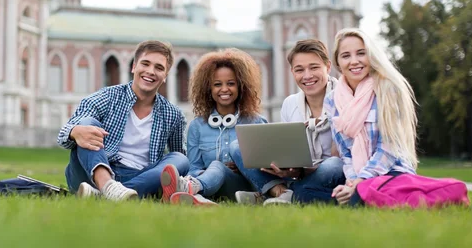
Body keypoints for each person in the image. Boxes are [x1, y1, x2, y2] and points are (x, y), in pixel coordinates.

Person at [56, 40, 189, 201]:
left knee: (180, 160)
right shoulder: (106, 97)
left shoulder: (172, 114)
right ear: (134, 67)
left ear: (165, 76)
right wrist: (74, 132)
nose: (151, 71)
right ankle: (107, 186)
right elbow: (63, 136)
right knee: (86, 123)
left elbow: (178, 162)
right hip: (92, 173)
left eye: (159, 68)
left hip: (141, 176)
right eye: (145, 64)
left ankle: (108, 195)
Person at [231, 39, 346, 205]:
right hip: (296, 175)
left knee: (333, 165)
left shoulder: (343, 98)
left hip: (329, 174)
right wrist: (285, 167)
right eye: (299, 70)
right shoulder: (290, 104)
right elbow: (288, 151)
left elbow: (345, 156)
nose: (307, 76)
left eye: (314, 67)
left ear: (328, 67)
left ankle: (277, 196)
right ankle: (281, 192)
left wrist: (301, 171)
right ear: (292, 72)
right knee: (237, 146)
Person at [161, 48, 266, 206]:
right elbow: (194, 167)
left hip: (244, 189)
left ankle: (187, 189)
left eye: (231, 83)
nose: (224, 89)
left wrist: (243, 166)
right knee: (215, 167)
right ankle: (198, 197)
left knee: (217, 166)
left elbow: (266, 168)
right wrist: (205, 174)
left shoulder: (256, 122)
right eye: (217, 84)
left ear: (241, 86)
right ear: (208, 89)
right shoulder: (197, 126)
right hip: (213, 187)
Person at [326, 28, 418, 206]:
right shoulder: (332, 100)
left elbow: (389, 149)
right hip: (359, 177)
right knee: (304, 192)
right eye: (346, 56)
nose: (354, 61)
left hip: (391, 172)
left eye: (361, 53)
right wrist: (352, 182)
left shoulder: (387, 88)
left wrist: (360, 182)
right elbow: (346, 154)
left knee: (355, 199)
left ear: (371, 56)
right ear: (337, 62)